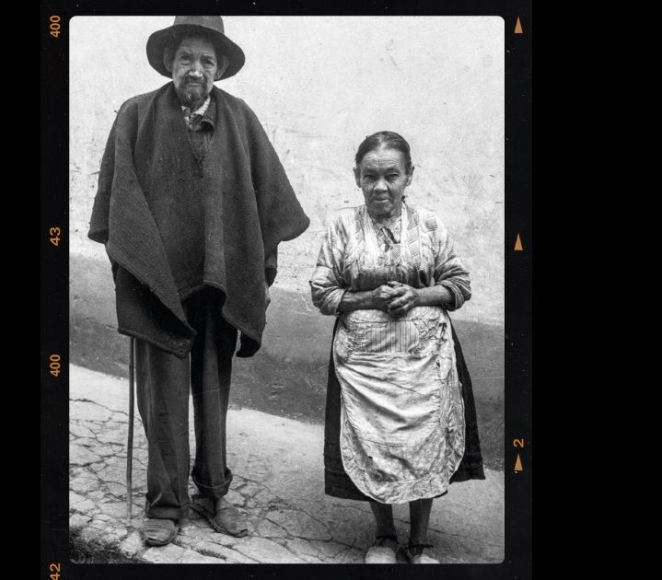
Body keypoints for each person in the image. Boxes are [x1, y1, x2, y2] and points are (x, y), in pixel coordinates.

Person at [88, 16, 309, 547]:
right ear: (169, 61)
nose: (195, 69)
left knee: (212, 396)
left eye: (207, 61)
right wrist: (134, 267)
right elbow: (117, 201)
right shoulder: (136, 115)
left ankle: (213, 494)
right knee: (162, 399)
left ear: (220, 69)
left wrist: (258, 271)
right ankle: (165, 507)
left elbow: (265, 203)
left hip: (220, 285)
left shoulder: (240, 119)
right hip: (157, 285)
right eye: (186, 57)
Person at [310, 131, 485, 564]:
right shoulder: (341, 227)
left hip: (424, 357)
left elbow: (459, 285)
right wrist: (370, 299)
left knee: (422, 444)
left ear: (409, 176)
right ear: (357, 177)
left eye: (392, 175)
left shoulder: (428, 225)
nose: (381, 186)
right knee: (375, 444)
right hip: (363, 362)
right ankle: (384, 537)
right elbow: (322, 293)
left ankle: (420, 542)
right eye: (371, 176)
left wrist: (417, 296)